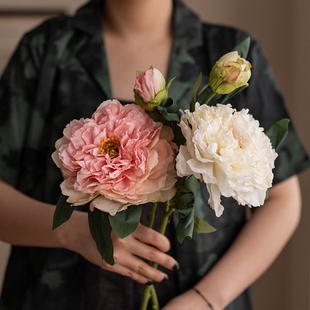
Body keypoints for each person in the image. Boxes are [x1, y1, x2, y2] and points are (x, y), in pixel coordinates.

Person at [0, 0, 309, 309]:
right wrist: (75, 231)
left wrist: (206, 299)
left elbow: (281, 199)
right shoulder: (46, 48)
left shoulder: (230, 56)